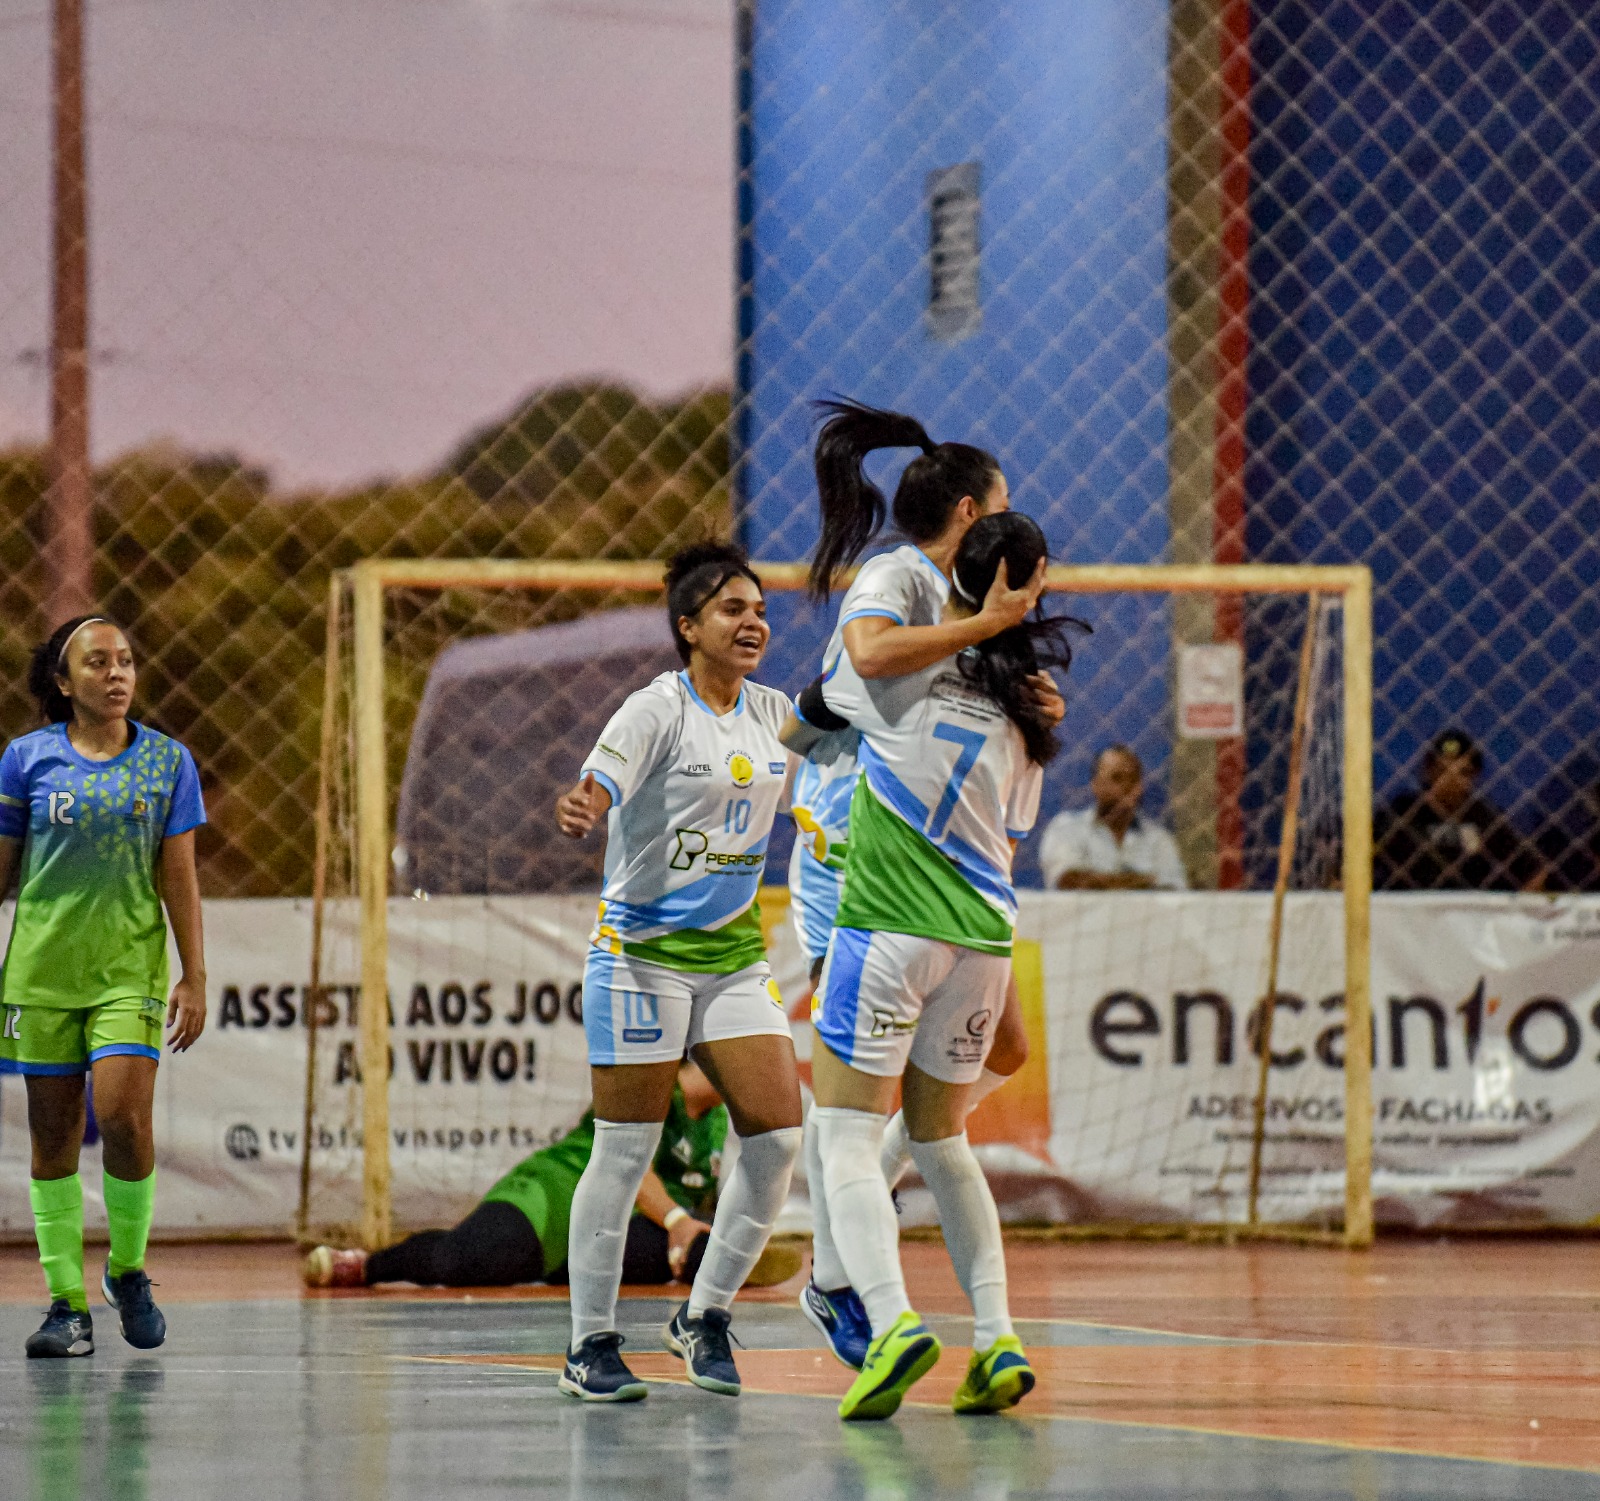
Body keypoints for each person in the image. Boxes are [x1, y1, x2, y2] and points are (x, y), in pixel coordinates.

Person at [784, 398, 1057, 1373]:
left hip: (909, 883)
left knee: (902, 1104)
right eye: (1003, 506)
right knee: (881, 1120)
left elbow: (826, 707)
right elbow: (858, 664)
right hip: (853, 861)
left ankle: (846, 1275)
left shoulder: (967, 643)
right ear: (974, 513)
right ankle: (842, 1280)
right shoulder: (906, 576)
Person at [551, 541, 804, 1402]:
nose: (754, 620)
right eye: (732, 608)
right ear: (688, 627)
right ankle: (589, 1343)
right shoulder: (655, 709)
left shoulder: (776, 712)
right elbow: (603, 777)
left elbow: (853, 756)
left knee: (776, 1136)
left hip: (733, 957)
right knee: (623, 1150)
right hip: (640, 957)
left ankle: (703, 1315)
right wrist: (588, 799)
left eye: (760, 607)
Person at [0, 617, 207, 1359]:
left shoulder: (167, 763)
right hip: (42, 974)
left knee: (121, 1113)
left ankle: (128, 1269)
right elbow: (4, 868)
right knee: (52, 1138)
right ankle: (66, 1305)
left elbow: (177, 873)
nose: (116, 672)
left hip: (129, 970)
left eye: (124, 660)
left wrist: (195, 973)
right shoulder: (25, 761)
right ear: (64, 681)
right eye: (97, 662)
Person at [302, 1062, 800, 1292]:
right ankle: (369, 1267)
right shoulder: (654, 1084)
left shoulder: (714, 1121)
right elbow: (632, 1164)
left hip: (621, 1225)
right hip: (561, 1193)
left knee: (681, 1251)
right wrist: (676, 1218)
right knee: (469, 1262)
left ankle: (717, 1260)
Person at [1374, 730, 1541, 891]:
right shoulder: (1400, 813)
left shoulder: (1484, 816)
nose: (1451, 781)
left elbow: (1534, 870)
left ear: (1475, 775)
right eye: (1443, 771)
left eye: (1462, 772)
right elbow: (1359, 862)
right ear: (1428, 771)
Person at [1037, 744, 1188, 891]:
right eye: (1117, 778)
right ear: (1095, 785)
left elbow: (1173, 888)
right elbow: (1068, 881)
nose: (1127, 786)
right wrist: (1144, 881)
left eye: (1133, 779)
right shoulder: (1067, 828)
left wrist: (1100, 881)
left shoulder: (1158, 839)